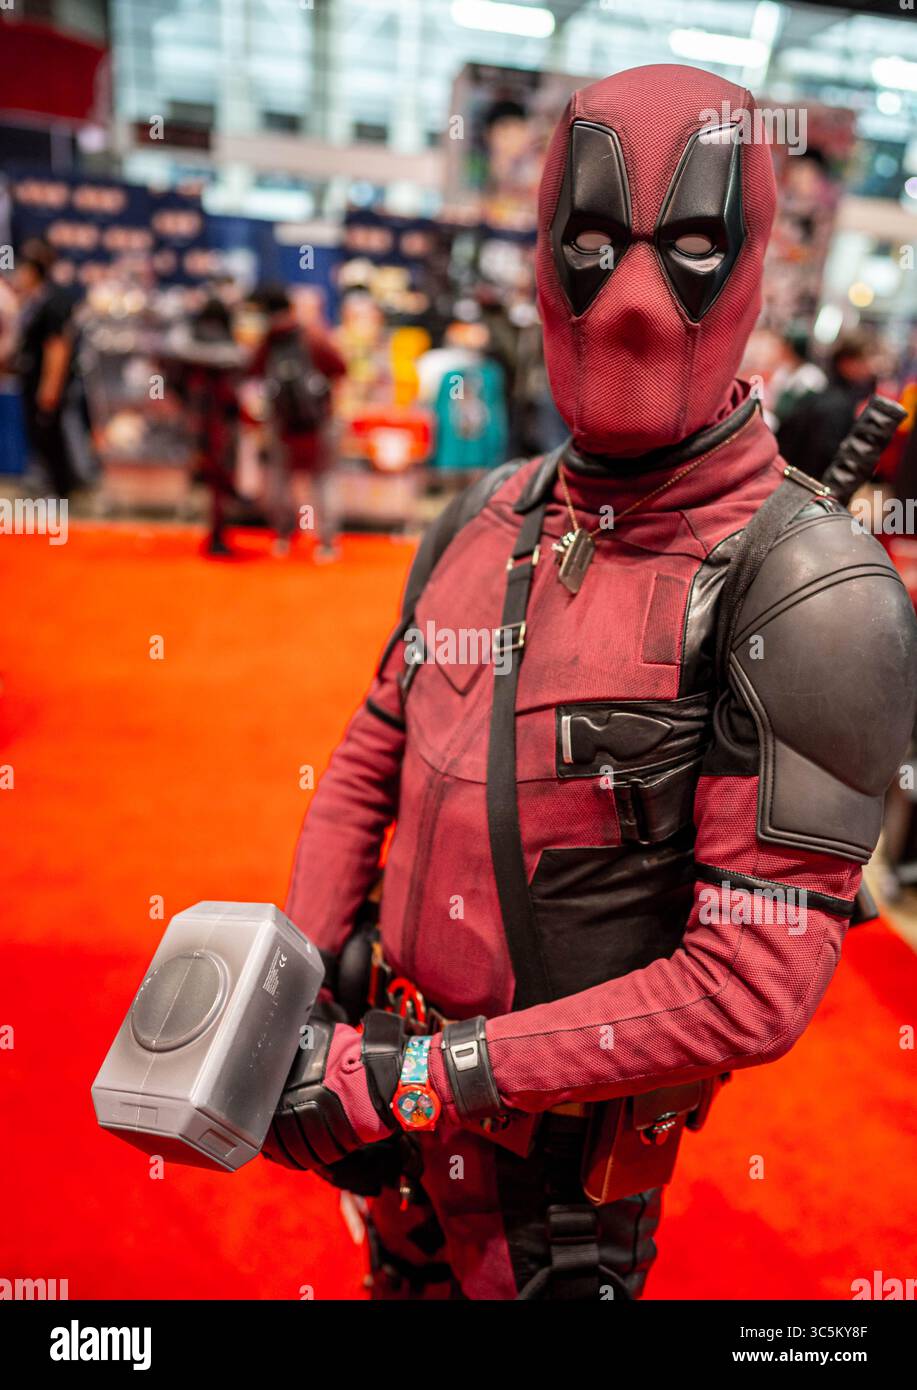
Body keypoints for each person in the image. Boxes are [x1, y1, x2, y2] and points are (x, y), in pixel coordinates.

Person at [263, 66, 917, 1300]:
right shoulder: (482, 514)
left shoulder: (809, 592)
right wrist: (293, 997)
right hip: (389, 1130)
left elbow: (749, 986)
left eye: (689, 247)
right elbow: (368, 754)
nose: (627, 301)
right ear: (540, 247)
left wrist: (411, 1079)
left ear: (750, 260)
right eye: (591, 241)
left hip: (553, 1195)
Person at [248, 285, 346, 560]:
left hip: (282, 423)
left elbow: (252, 372)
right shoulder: (315, 337)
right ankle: (327, 541)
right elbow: (340, 369)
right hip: (318, 422)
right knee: (322, 480)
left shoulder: (269, 340)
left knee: (280, 480)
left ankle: (283, 536)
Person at [12, 240, 78, 496]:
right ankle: (48, 484)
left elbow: (57, 348)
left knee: (51, 435)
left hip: (45, 380)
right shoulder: (33, 301)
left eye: (23, 270)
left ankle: (62, 488)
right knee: (37, 434)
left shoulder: (53, 303)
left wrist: (50, 387)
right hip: (30, 378)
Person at [777, 331, 878, 481]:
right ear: (847, 363)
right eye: (864, 361)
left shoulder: (837, 396)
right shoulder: (835, 404)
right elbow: (819, 458)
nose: (870, 367)